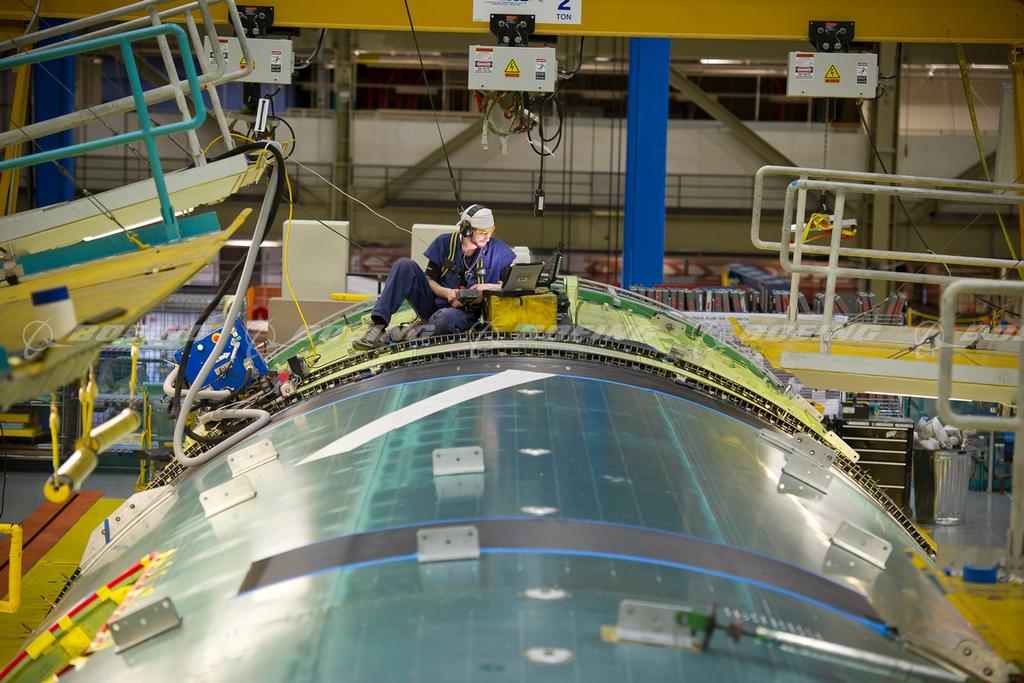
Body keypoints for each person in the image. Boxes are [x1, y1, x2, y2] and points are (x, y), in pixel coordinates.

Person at [353, 204, 517, 349]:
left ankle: (414, 332)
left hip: (463, 314)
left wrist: (487, 288)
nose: (488, 237)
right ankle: (377, 328)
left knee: (443, 321)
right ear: (467, 230)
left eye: (491, 231)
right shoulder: (445, 244)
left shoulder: (498, 251)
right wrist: (447, 293)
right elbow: (429, 280)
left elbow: (514, 285)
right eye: (483, 232)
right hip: (432, 304)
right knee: (404, 265)